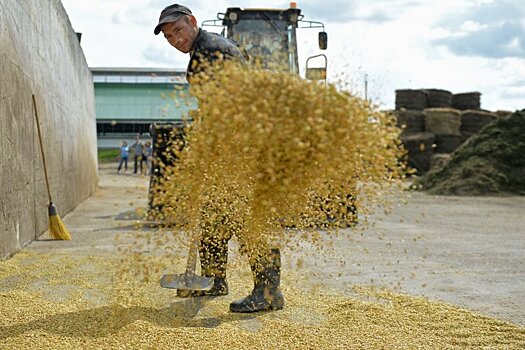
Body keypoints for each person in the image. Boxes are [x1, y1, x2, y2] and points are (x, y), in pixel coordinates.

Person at [154, 4, 284, 313]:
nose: (175, 39)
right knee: (212, 217)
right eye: (169, 36)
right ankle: (214, 279)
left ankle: (269, 293)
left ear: (192, 22)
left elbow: (234, 105)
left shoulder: (212, 50)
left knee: (248, 221)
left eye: (178, 30)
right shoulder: (203, 51)